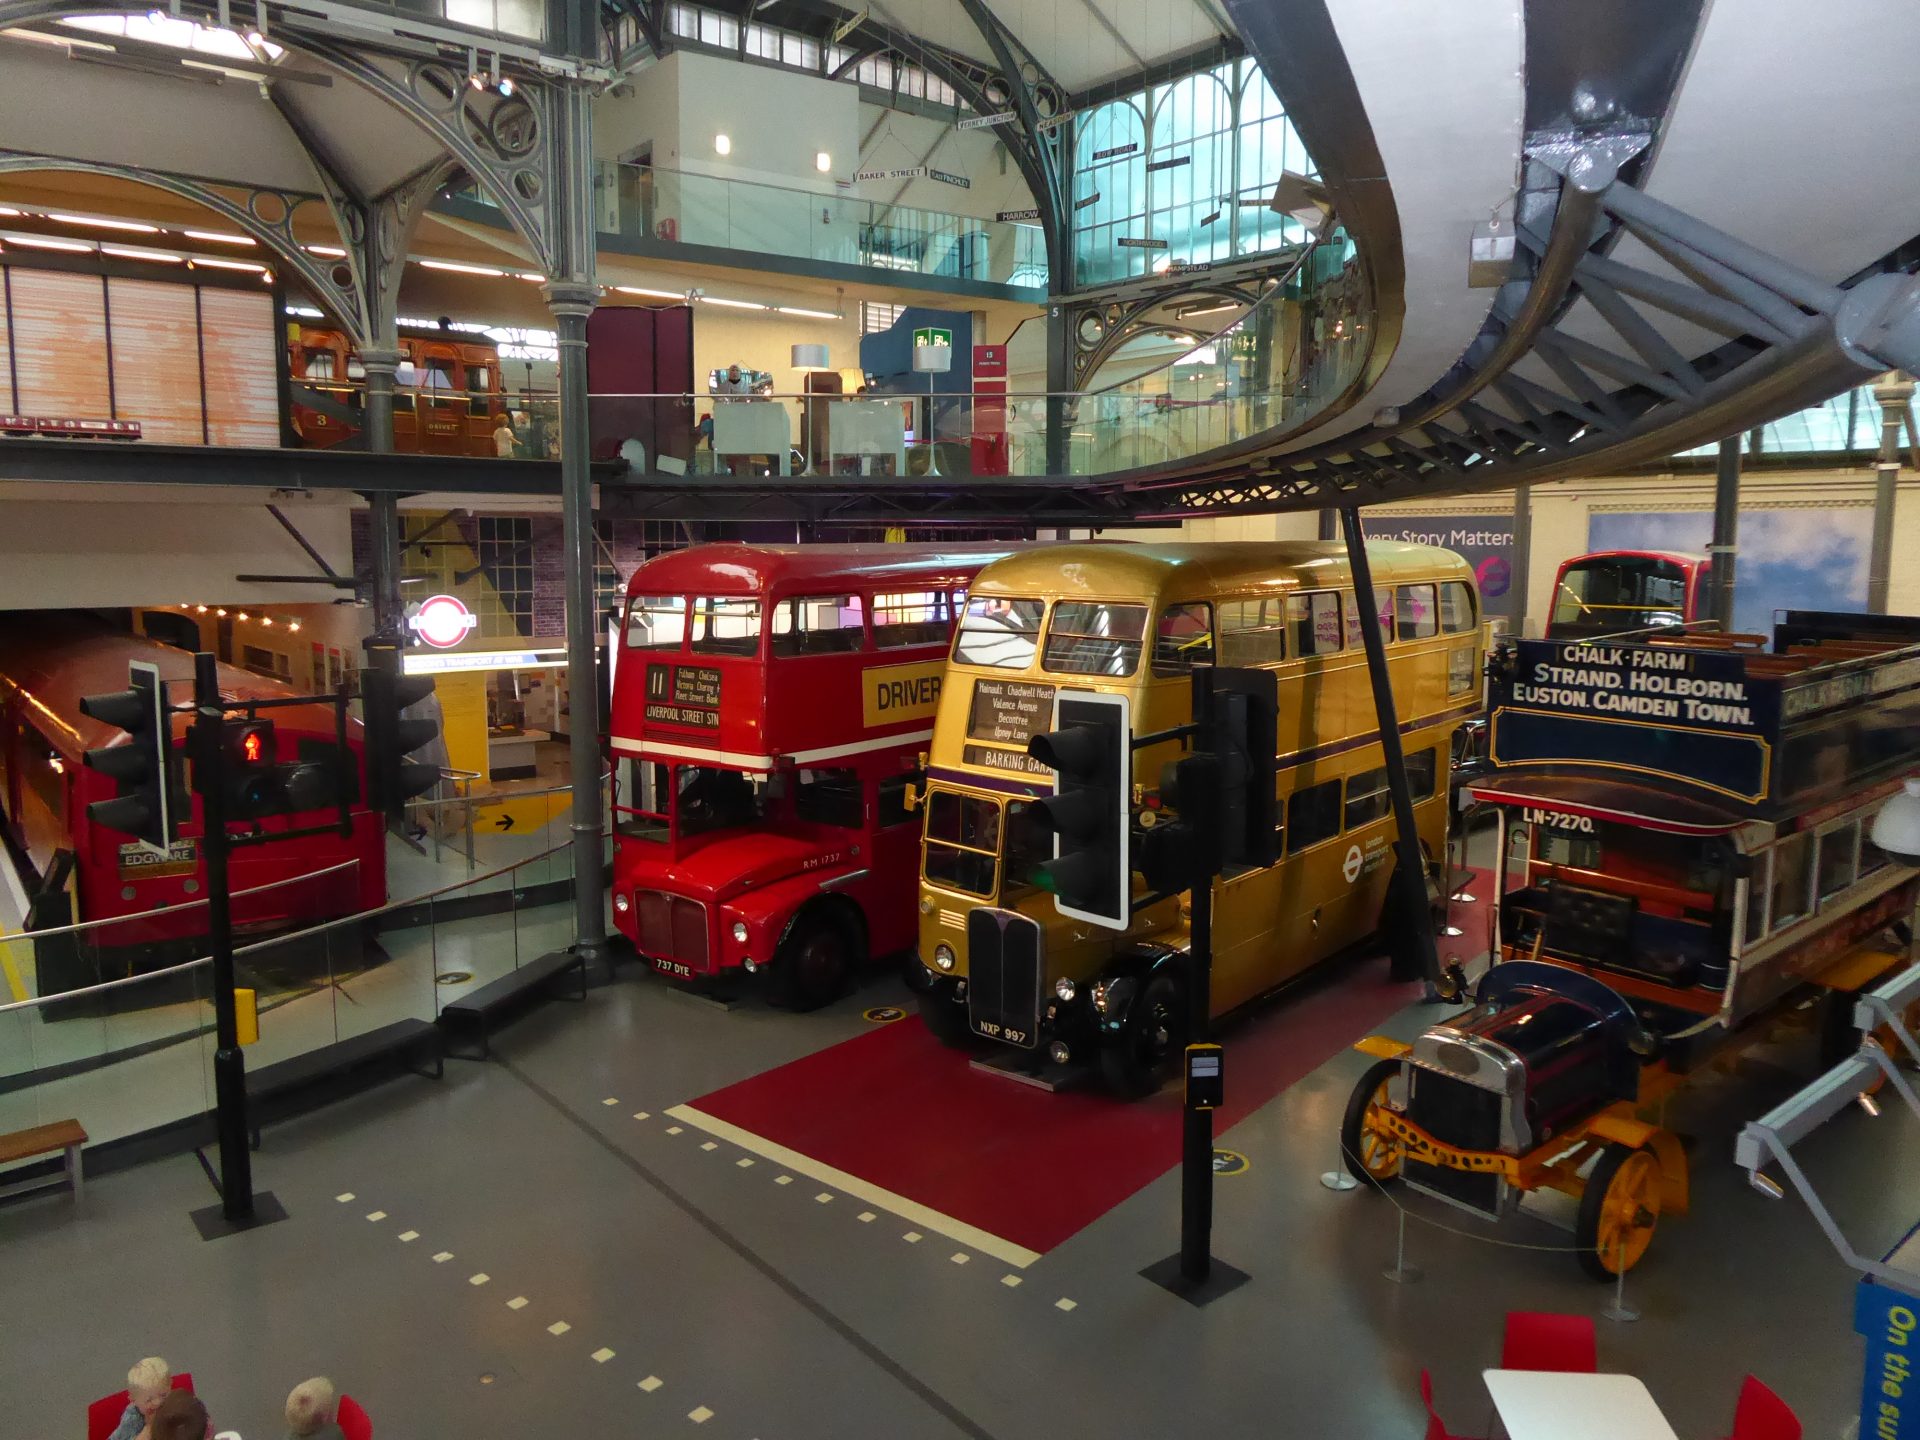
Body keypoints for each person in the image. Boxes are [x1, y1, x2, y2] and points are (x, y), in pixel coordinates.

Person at [109, 1357, 172, 1440]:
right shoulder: (132, 1418)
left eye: (163, 1395)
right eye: (149, 1400)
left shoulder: (173, 1402)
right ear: (134, 1401)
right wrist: (149, 1427)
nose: (158, 1402)